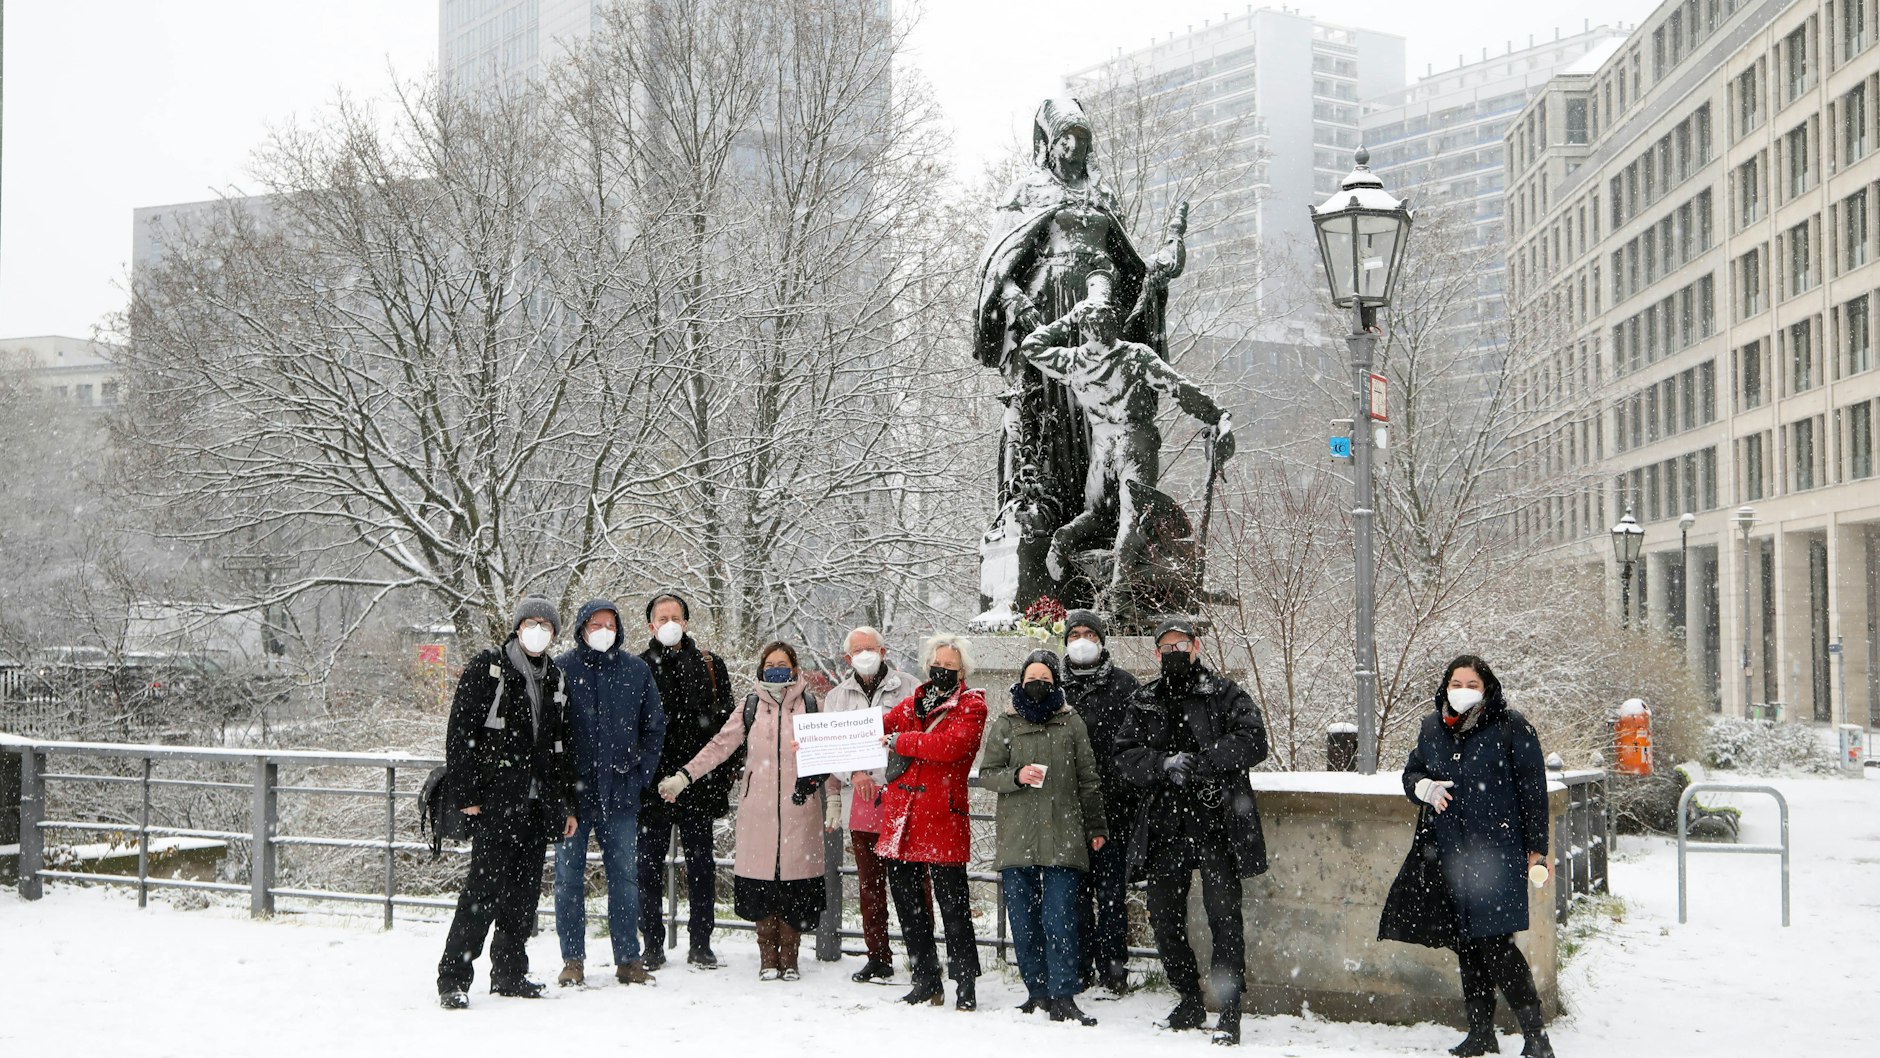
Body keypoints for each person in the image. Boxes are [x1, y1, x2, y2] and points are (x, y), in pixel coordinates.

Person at [972, 96, 1189, 608]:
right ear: (1048, 143)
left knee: (1096, 419)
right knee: (1049, 419)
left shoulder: (1102, 193)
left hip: (1095, 308)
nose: (1074, 148)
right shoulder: (1026, 191)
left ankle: (1098, 520)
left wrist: (1151, 278)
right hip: (1048, 311)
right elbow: (998, 258)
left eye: (1082, 139)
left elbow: (1125, 258)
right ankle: (1041, 512)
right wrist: (1012, 296)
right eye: (1065, 138)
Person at [1387, 655, 1555, 1058]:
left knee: (1496, 944)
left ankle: (1536, 1036)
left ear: (1487, 688)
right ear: (1445, 687)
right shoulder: (1432, 727)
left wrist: (1537, 850)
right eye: (1456, 682)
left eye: (1471, 684)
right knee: (1468, 944)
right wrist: (1422, 787)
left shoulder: (1511, 726)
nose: (1462, 690)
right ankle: (1481, 1032)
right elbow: (1412, 773)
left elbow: (1534, 790)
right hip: (1451, 856)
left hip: (1498, 857)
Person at [1113, 618, 1269, 1046]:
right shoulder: (1144, 699)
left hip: (1219, 825)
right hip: (1166, 829)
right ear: (1156, 653)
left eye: (1182, 644)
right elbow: (1124, 755)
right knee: (1164, 919)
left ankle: (1230, 1011)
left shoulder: (1224, 693)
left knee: (1225, 920)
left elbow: (1254, 740)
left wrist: (1202, 761)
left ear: (1196, 647)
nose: (1174, 651)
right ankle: (1188, 998)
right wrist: (1163, 764)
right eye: (1166, 645)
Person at [1015, 297, 1234, 592]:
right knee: (1132, 519)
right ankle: (1120, 592)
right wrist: (1215, 414)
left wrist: (1068, 318)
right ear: (1113, 324)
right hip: (1135, 441)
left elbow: (1031, 346)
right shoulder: (1135, 356)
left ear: (1085, 328)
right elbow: (1179, 387)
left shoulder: (1075, 362)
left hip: (1102, 444)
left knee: (1095, 514)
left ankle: (1063, 539)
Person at [436, 597, 578, 1010]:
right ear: (518, 627)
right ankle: (453, 977)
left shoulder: (555, 676)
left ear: (553, 633)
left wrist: (566, 804)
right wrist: (468, 796)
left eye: (546, 625)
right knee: (482, 892)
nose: (538, 630)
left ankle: (510, 972)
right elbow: (461, 732)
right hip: (497, 803)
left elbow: (561, 748)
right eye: (531, 622)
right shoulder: (489, 668)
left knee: (523, 895)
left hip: (537, 806)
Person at [657, 642, 827, 981]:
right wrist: (684, 776)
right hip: (759, 811)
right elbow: (721, 745)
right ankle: (767, 956)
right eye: (770, 663)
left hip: (799, 806)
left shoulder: (812, 706)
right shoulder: (749, 707)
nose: (776, 669)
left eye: (783, 664)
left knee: (794, 883)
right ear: (761, 668)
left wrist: (833, 798)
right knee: (764, 883)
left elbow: (833, 752)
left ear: (795, 669)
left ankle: (790, 956)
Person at [978, 649, 1107, 1026]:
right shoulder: (1006, 722)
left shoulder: (1072, 722)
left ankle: (1063, 994)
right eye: (1032, 679)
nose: (1038, 685)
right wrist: (1015, 776)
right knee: (1023, 917)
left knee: (1060, 917)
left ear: (1056, 684)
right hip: (1018, 836)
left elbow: (1088, 779)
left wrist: (1096, 828)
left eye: (1045, 680)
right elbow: (988, 774)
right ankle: (1036, 992)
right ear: (1020, 682)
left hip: (1064, 835)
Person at [552, 598, 665, 987]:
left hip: (621, 795)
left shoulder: (635, 671)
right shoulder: (562, 670)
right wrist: (561, 790)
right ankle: (573, 959)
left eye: (610, 625)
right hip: (574, 799)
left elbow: (654, 728)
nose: (604, 631)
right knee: (568, 878)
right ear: (582, 628)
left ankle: (628, 959)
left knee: (625, 877)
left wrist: (639, 777)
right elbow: (549, 734)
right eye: (595, 624)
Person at [875, 633, 989, 1011]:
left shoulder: (972, 705)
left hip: (942, 817)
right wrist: (819, 742)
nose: (942, 671)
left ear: (963, 671)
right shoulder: (913, 702)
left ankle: (965, 982)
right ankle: (924, 977)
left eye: (950, 666)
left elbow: (953, 747)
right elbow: (874, 728)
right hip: (902, 817)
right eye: (937, 664)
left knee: (953, 905)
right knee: (908, 904)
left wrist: (901, 741)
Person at [637, 592, 738, 970]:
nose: (669, 623)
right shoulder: (638, 667)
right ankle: (651, 944)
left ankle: (701, 942)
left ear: (687, 622)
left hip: (700, 783)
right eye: (662, 618)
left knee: (701, 866)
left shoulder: (711, 665)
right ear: (650, 625)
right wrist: (643, 777)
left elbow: (730, 726)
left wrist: (720, 778)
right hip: (651, 788)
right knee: (647, 867)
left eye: (676, 616)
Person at [820, 625, 921, 984]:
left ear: (884, 650)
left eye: (871, 648)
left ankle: (920, 956)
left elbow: (921, 736)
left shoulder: (910, 687)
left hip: (904, 798)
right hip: (861, 799)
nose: (865, 655)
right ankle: (878, 956)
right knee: (870, 885)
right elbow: (828, 748)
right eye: (858, 650)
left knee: (911, 884)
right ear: (847, 658)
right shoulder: (836, 697)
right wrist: (854, 773)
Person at [1059, 608, 1140, 994]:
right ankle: (1078, 966)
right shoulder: (1053, 686)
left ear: (1102, 641)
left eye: (1089, 634)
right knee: (1072, 895)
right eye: (1074, 634)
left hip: (1113, 809)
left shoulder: (1125, 686)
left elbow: (1138, 743)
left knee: (1110, 895)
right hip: (1066, 809)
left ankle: (1114, 968)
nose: (1081, 641)